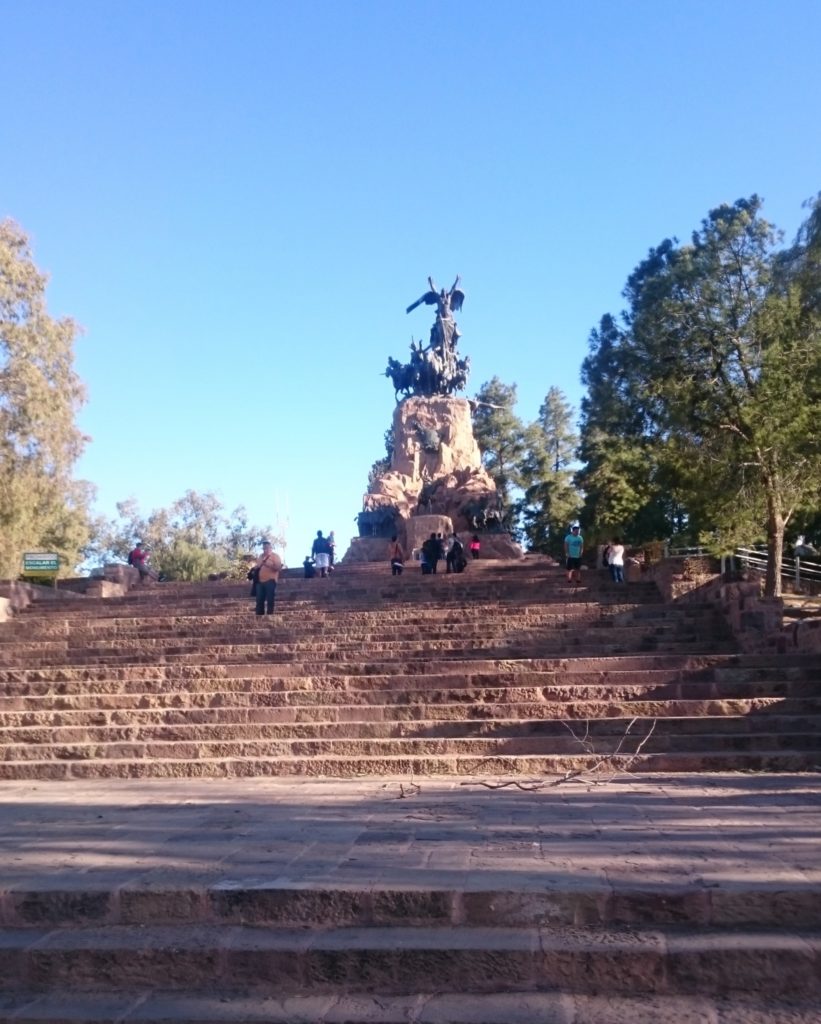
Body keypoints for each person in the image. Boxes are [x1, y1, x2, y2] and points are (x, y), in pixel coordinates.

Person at [253, 540, 282, 615]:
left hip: (270, 580)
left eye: (267, 548)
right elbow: (258, 566)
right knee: (259, 600)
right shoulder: (260, 556)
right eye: (263, 548)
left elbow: (279, 568)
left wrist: (268, 565)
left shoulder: (275, 556)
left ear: (270, 548)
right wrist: (254, 569)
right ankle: (259, 617)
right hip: (259, 581)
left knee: (270, 598)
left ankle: (269, 615)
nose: (265, 549)